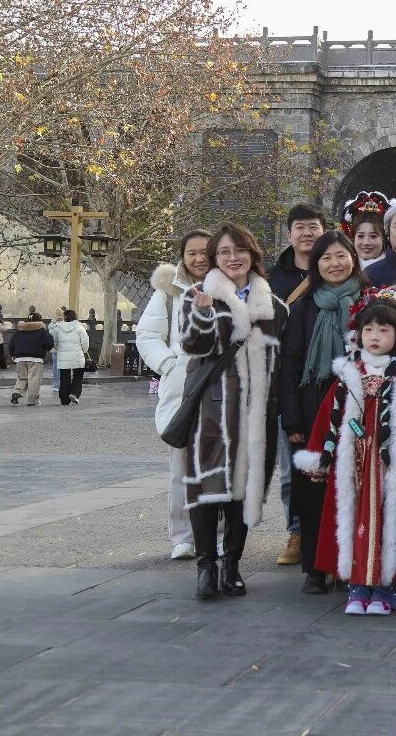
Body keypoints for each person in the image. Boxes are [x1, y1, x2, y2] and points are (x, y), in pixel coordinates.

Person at [294, 288, 396, 616]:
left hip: (390, 467)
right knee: (353, 522)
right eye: (369, 329)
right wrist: (319, 455)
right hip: (353, 467)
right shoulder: (349, 372)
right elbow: (328, 416)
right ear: (358, 333)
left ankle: (385, 587)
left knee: (390, 524)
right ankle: (357, 586)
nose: (375, 337)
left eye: (384, 329)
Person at [181, 222, 289, 600]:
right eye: (224, 252)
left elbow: (283, 365)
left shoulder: (275, 307)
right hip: (213, 411)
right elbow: (193, 346)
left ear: (252, 255)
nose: (232, 258)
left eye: (239, 250)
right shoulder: (199, 295)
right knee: (209, 487)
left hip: (258, 413)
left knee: (245, 490)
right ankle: (206, 567)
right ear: (215, 258)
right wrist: (205, 313)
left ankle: (232, 565)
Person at [279, 231, 369, 595]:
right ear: (316, 265)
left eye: (341, 256)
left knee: (354, 487)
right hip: (313, 408)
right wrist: (293, 419)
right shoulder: (304, 307)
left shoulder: (370, 302)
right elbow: (289, 365)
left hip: (360, 406)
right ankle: (316, 567)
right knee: (312, 489)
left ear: (353, 260)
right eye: (326, 258)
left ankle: (349, 562)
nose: (335, 264)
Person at [136, 228, 212, 560]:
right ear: (182, 256)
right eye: (192, 252)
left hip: (219, 384)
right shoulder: (168, 292)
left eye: (205, 252)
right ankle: (183, 534)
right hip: (181, 385)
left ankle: (218, 533)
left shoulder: (230, 287)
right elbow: (148, 334)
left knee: (217, 462)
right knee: (180, 463)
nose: (199, 258)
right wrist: (169, 364)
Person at [268, 202, 327, 567]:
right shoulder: (273, 278)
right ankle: (296, 529)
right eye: (300, 227)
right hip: (288, 381)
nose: (307, 234)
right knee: (292, 465)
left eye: (314, 227)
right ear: (289, 233)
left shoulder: (332, 271)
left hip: (327, 382)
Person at [340, 190, 396, 275]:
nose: (366, 242)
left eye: (373, 236)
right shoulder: (341, 268)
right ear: (353, 237)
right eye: (360, 236)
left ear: (384, 238)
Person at [8, 312, 53, 406]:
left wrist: (12, 354)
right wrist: (47, 349)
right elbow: (49, 343)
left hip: (20, 358)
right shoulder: (41, 331)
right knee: (34, 379)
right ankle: (32, 400)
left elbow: (11, 343)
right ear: (40, 320)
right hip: (35, 359)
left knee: (21, 377)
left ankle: (17, 392)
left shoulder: (19, 331)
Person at [49, 310, 89, 405]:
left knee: (64, 377)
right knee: (78, 375)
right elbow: (85, 342)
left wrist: (58, 349)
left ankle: (64, 399)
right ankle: (74, 393)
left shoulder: (58, 328)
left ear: (64, 317)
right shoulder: (80, 328)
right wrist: (84, 350)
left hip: (63, 356)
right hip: (77, 355)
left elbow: (54, 342)